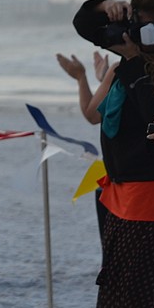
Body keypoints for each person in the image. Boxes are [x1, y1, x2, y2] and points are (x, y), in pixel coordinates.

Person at [73, 0, 154, 308]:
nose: (132, 32)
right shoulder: (126, 66)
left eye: (142, 24)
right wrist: (104, 6)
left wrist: (135, 62)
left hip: (147, 199)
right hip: (120, 194)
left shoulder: (145, 69)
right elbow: (85, 25)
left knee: (129, 292)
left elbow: (153, 118)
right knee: (128, 290)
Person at [55, 51, 115, 248]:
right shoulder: (128, 72)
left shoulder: (122, 70)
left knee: (118, 254)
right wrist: (105, 79)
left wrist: (81, 77)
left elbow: (92, 114)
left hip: (126, 183)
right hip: (134, 177)